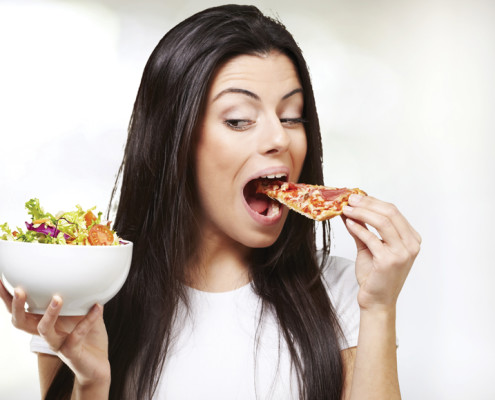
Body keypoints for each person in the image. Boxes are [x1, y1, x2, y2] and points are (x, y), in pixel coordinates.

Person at [0, 4, 421, 400]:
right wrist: (91, 382)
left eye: (292, 116)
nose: (279, 138)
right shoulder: (83, 294)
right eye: (239, 119)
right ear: (175, 140)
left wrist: (380, 308)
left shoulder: (345, 293)